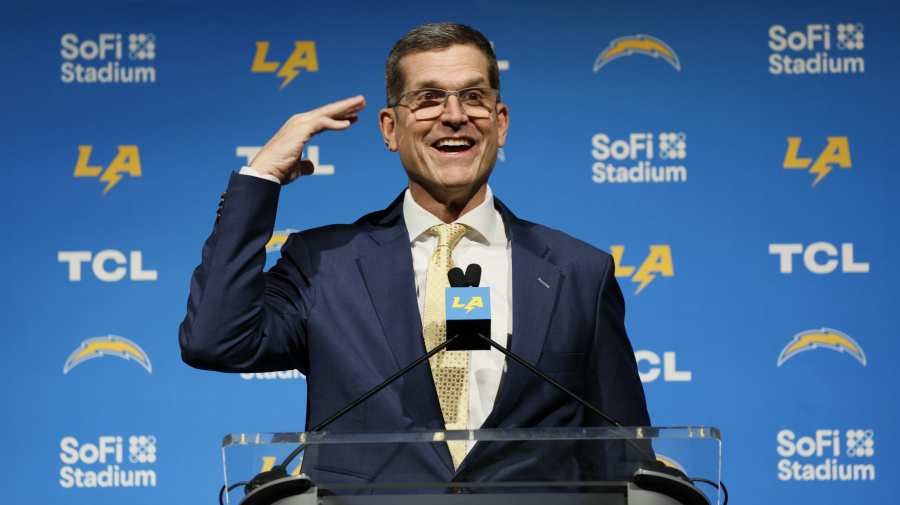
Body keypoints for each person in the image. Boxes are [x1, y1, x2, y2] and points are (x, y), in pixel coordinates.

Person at [180, 22, 650, 492]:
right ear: (390, 129)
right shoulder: (323, 262)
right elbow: (216, 340)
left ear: (500, 122)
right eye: (427, 98)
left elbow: (622, 456)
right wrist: (259, 180)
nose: (453, 116)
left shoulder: (579, 272)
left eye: (473, 97)